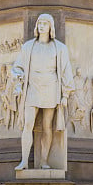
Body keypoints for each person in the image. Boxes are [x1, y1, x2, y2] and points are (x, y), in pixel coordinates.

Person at [12, 13, 74, 170]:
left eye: (45, 23)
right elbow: (17, 67)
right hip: (32, 88)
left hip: (51, 89)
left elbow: (66, 71)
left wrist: (65, 94)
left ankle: (44, 161)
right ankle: (24, 161)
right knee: (27, 124)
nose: (41, 26)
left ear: (51, 27)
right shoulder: (28, 47)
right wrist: (18, 82)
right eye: (40, 23)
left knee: (47, 126)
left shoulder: (59, 48)